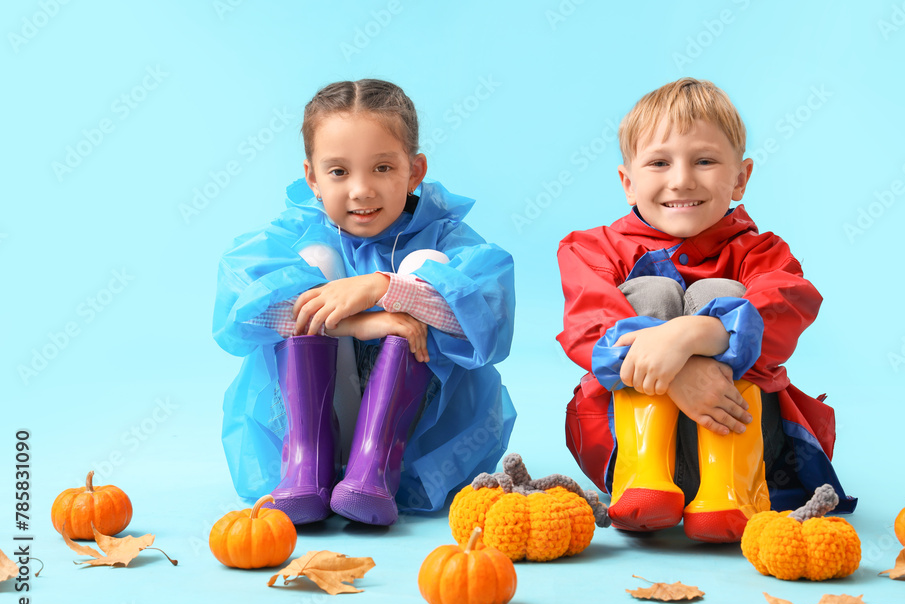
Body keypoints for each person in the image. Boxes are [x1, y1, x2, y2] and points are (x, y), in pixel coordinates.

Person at [557, 78, 855, 543]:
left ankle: (727, 492)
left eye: (705, 161)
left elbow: (785, 305)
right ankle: (645, 479)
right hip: (623, 441)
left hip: (746, 436)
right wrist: (676, 373)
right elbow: (589, 326)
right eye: (659, 162)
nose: (681, 180)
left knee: (721, 289)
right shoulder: (591, 250)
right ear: (628, 183)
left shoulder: (764, 253)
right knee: (650, 292)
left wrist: (693, 336)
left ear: (740, 178)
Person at [213, 79, 515, 527]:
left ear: (414, 172)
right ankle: (306, 466)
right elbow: (247, 309)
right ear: (312, 178)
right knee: (312, 262)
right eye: (338, 172)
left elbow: (480, 322)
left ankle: (373, 468)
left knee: (427, 265)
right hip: (321, 417)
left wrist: (384, 288)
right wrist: (358, 324)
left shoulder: (445, 236)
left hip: (413, 435)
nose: (361, 190)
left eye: (382, 168)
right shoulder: (299, 232)